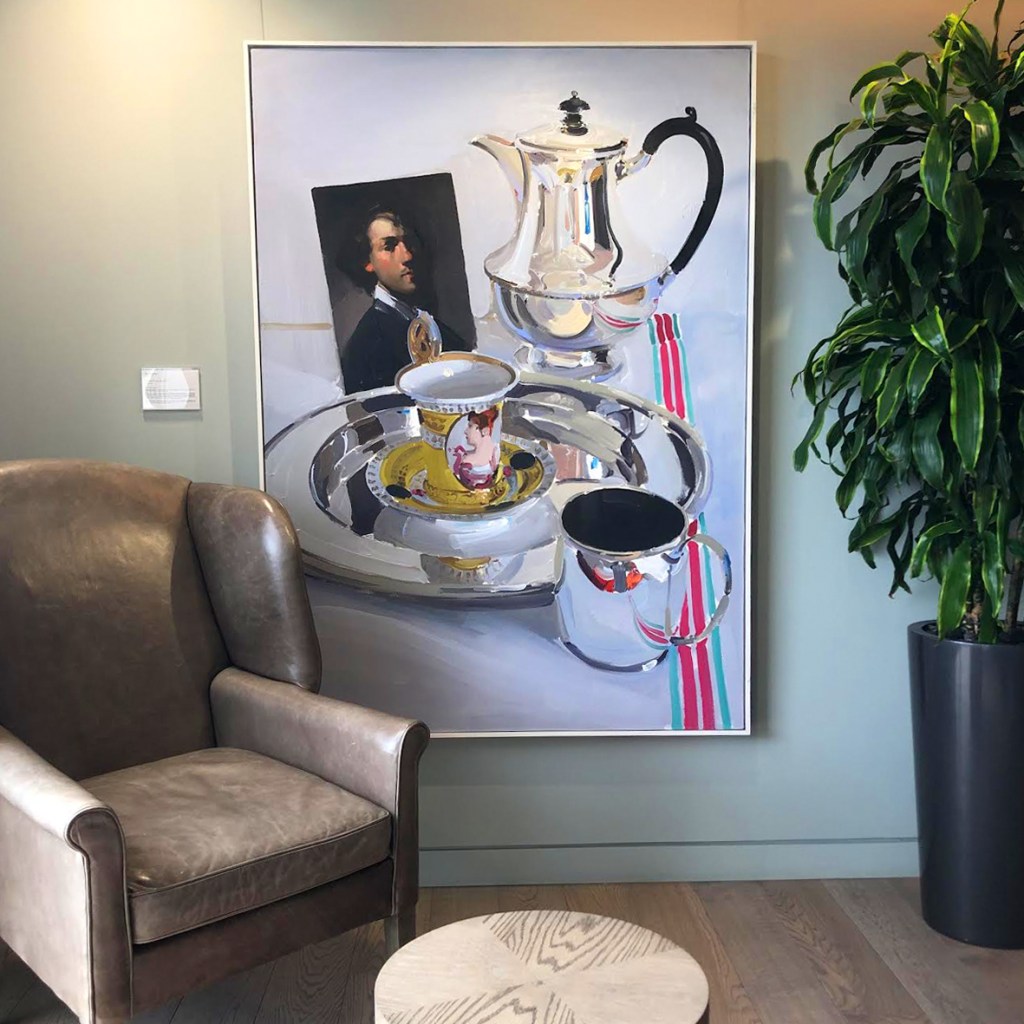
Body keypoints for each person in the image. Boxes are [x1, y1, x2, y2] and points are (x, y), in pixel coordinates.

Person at [339, 206, 470, 393]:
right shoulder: (367, 344)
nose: (407, 256)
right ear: (367, 262)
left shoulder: (429, 324)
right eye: (389, 246)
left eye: (409, 242)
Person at [451, 408, 501, 490]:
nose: (466, 431)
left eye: (470, 426)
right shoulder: (465, 457)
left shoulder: (466, 459)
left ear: (485, 431)